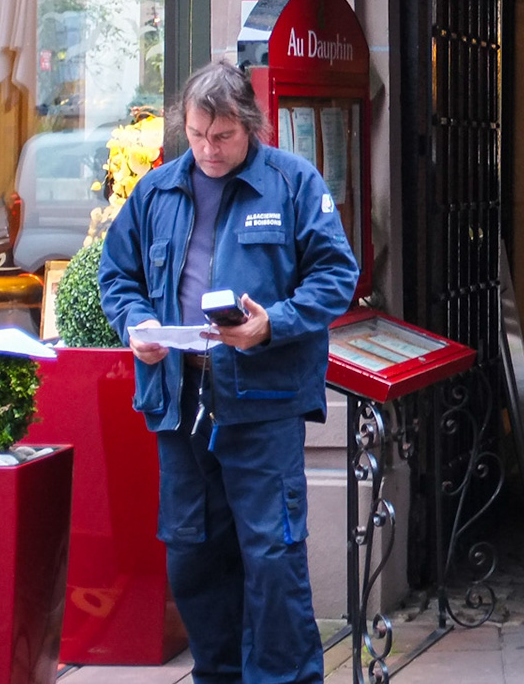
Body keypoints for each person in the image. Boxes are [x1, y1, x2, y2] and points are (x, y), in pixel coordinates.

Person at [101, 61, 359, 684]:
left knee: (271, 555)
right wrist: (138, 325)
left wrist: (271, 323)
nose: (208, 150)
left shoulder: (293, 183)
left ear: (248, 126)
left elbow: (335, 277)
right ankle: (217, 675)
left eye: (221, 137)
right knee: (193, 553)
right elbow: (118, 277)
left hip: (262, 400)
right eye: (196, 136)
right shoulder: (157, 190)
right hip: (178, 397)